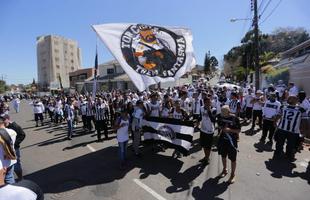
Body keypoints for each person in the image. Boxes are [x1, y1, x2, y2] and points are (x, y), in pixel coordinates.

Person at [274, 96, 305, 161]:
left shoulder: (283, 107)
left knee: (279, 143)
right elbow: (304, 121)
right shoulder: (301, 110)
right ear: (296, 101)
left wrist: (275, 122)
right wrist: (303, 130)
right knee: (290, 145)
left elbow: (278, 116)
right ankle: (288, 156)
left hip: (282, 128)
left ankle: (277, 154)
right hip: (293, 131)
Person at [217, 105, 241, 184]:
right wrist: (221, 128)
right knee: (223, 156)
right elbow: (219, 125)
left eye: (225, 114)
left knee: (233, 159)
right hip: (223, 140)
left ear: (229, 112)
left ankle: (233, 174)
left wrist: (229, 130)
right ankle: (224, 170)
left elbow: (238, 130)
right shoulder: (220, 116)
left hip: (232, 142)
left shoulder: (235, 118)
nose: (223, 116)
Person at [2, 114, 25, 180]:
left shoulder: (15, 126)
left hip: (15, 149)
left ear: (8, 119)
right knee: (8, 165)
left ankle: (20, 178)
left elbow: (22, 135)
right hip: (5, 149)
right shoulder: (3, 127)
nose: (3, 122)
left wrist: (14, 144)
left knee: (16, 164)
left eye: (4, 120)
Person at [198, 97, 216, 165]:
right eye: (207, 102)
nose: (209, 103)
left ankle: (207, 158)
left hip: (209, 131)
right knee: (204, 145)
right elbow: (200, 117)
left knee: (208, 146)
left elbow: (213, 120)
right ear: (204, 103)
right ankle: (205, 157)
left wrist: (209, 111)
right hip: (203, 129)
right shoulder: (201, 108)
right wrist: (196, 121)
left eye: (210, 102)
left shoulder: (213, 109)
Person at [0, 116, 17, 184]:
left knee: (2, 181)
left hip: (1, 162)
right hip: (10, 158)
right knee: (9, 177)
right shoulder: (12, 131)